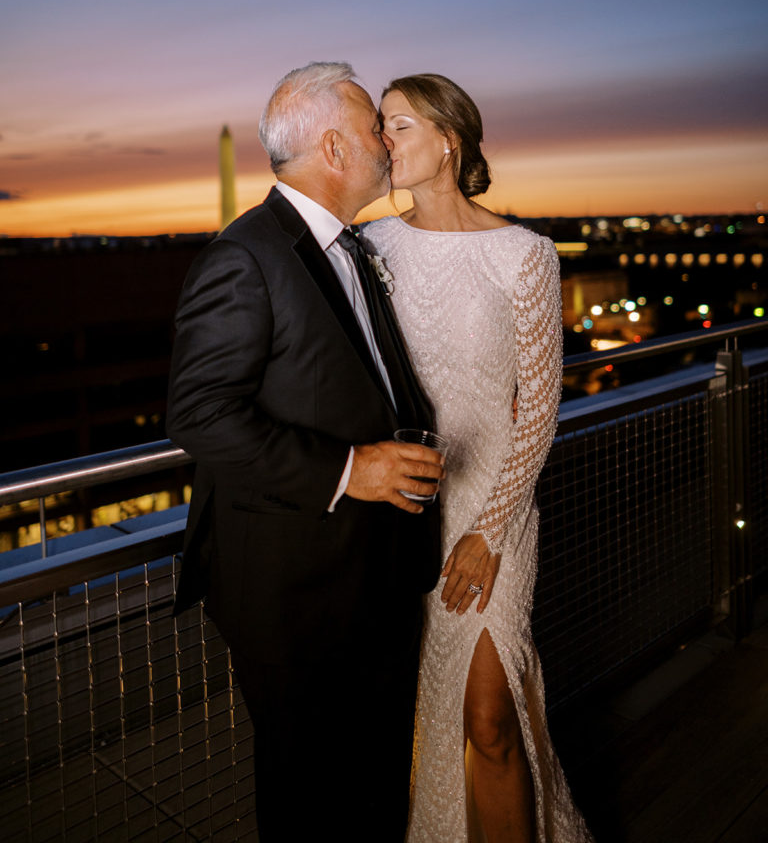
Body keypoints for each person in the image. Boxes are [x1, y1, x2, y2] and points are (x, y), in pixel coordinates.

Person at [166, 62, 445, 843]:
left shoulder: (351, 248)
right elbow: (197, 412)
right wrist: (353, 469)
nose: (386, 146)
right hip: (295, 587)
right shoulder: (245, 256)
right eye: (371, 131)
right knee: (312, 794)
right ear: (333, 147)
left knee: (376, 780)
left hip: (376, 567)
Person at [362, 74, 594, 842]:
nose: (382, 142)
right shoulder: (371, 249)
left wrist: (490, 530)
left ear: (448, 138)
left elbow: (539, 409)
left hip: (497, 505)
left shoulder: (524, 255)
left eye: (397, 126)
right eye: (380, 127)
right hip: (408, 511)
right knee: (427, 721)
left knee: (490, 719)